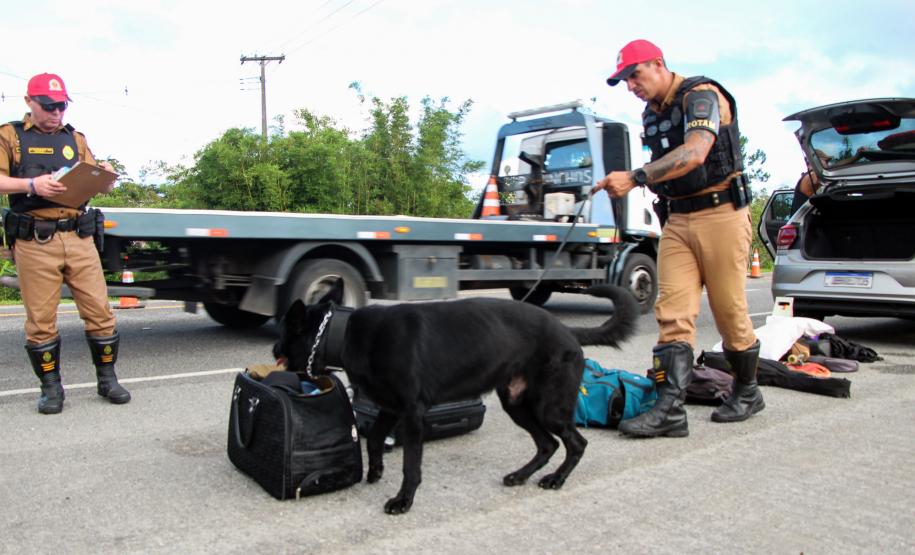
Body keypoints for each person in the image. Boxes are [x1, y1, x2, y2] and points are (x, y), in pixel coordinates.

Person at [592, 40, 762, 437]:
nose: (631, 85)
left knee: (728, 311)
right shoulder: (652, 114)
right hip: (678, 221)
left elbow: (696, 152)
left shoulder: (702, 96)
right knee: (672, 313)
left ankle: (749, 391)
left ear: (658, 64)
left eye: (635, 74)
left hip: (721, 213)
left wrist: (635, 177)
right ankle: (670, 409)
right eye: (624, 80)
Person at [0, 72, 129, 414]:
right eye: (49, 106)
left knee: (100, 312)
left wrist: (104, 175)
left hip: (79, 235)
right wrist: (32, 186)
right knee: (41, 320)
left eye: (61, 106)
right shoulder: (10, 136)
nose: (57, 113)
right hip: (36, 239)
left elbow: (94, 181)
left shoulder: (76, 138)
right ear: (30, 102)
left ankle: (107, 380)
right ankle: (51, 389)